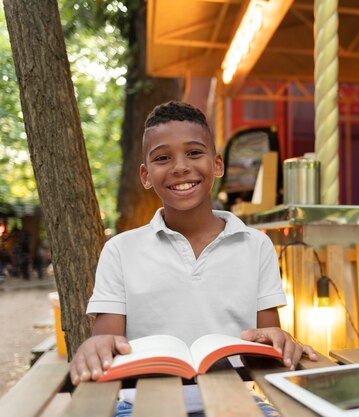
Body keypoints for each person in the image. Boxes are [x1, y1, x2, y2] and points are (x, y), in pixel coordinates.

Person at [69, 101, 317, 416]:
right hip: (140, 407)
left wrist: (280, 341)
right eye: (162, 158)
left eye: (194, 153)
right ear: (146, 175)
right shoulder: (120, 250)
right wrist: (95, 348)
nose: (180, 167)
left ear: (217, 165)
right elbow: (106, 343)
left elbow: (264, 350)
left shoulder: (256, 245)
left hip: (235, 404)